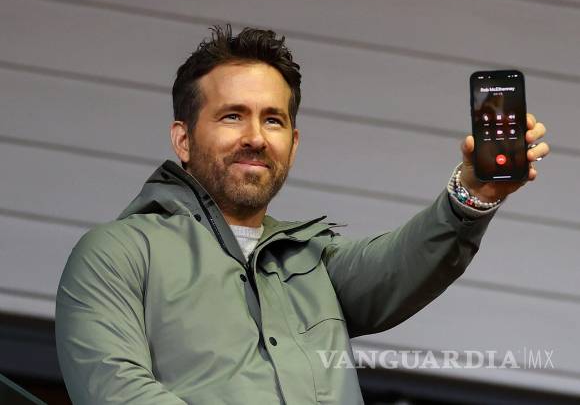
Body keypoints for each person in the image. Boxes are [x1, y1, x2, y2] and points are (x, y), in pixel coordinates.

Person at [55, 25, 550, 405]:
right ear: (183, 139)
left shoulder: (315, 262)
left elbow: (403, 263)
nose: (255, 137)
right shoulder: (117, 253)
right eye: (232, 115)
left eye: (273, 120)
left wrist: (472, 194)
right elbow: (117, 392)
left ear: (292, 145)